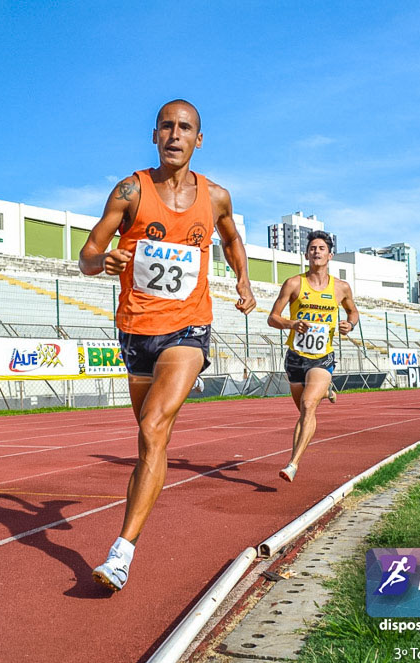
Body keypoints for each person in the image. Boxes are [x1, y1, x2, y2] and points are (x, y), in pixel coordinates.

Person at [78, 100, 255, 591]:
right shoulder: (130, 189)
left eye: (186, 128)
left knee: (154, 427)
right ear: (154, 135)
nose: (175, 135)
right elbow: (86, 254)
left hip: (188, 328)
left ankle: (121, 551)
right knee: (150, 441)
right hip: (136, 331)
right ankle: (143, 499)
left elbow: (231, 239)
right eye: (167, 126)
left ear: (199, 140)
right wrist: (104, 262)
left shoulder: (216, 196)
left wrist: (243, 281)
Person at [267, 231, 359, 482]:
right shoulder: (294, 283)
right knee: (304, 411)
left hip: (322, 357)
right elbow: (272, 318)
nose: (316, 251)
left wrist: (349, 325)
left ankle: (293, 464)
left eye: (321, 248)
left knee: (309, 406)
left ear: (329, 255)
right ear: (306, 254)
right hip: (296, 357)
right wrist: (290, 323)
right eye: (312, 248)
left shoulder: (341, 287)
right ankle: (328, 390)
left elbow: (354, 314)